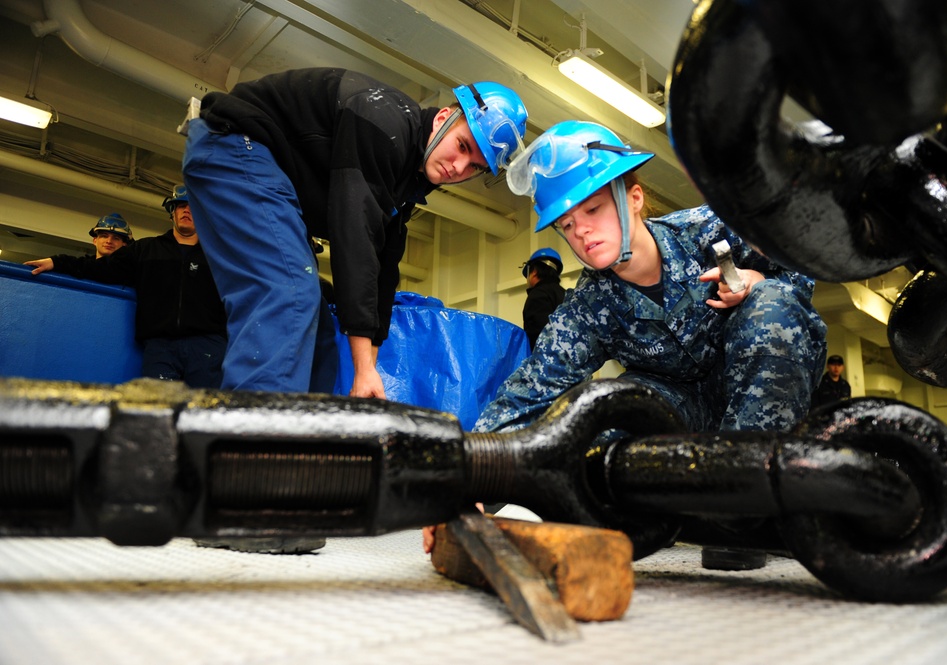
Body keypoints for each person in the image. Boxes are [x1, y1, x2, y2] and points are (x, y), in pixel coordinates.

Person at [423, 120, 828, 554]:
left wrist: (756, 277)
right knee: (606, 411)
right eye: (566, 223)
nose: (580, 231)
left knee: (772, 303)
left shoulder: (708, 231)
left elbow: (800, 250)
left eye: (592, 209)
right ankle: (669, 513)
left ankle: (746, 501)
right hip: (680, 412)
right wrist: (468, 478)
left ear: (633, 198)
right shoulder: (588, 307)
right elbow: (528, 393)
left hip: (760, 393)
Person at [181, 68, 528, 399]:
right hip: (234, 144)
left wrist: (369, 372)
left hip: (266, 167)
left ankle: (299, 445)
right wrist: (363, 368)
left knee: (316, 332)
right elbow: (355, 238)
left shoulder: (411, 175)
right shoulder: (387, 123)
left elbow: (384, 266)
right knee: (288, 295)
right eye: (463, 146)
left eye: (475, 167)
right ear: (443, 119)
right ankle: (247, 446)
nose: (459, 168)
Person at [25, 185, 228, 390]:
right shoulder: (145, 250)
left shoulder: (220, 257)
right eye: (181, 206)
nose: (187, 210)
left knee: (206, 415)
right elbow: (100, 268)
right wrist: (57, 262)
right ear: (171, 213)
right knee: (158, 413)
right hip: (160, 347)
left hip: (208, 347)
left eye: (193, 207)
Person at [520, 247, 566, 350]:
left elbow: (539, 335)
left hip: (549, 361)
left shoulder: (537, 294)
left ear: (535, 271)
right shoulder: (566, 294)